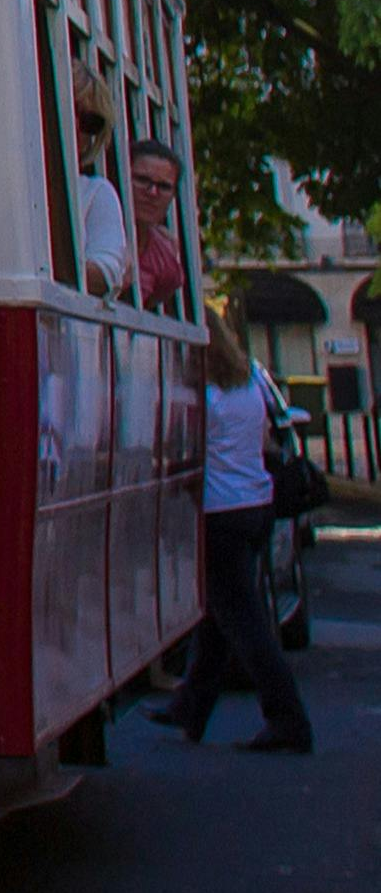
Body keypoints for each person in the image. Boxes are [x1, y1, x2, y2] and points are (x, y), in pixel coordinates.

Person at [148, 307, 315, 752]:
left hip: (219, 510)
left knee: (243, 622)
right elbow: (264, 440)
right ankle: (191, 706)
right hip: (256, 503)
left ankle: (288, 719)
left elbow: (177, 447)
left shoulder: (200, 394)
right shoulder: (250, 381)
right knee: (219, 614)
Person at [69, 73, 132, 300]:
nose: (75, 127)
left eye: (90, 123)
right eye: (68, 109)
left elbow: (107, 274)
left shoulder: (95, 192)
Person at [128, 136, 190, 315]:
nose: (152, 192)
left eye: (164, 187)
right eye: (142, 180)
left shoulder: (164, 255)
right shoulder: (95, 229)